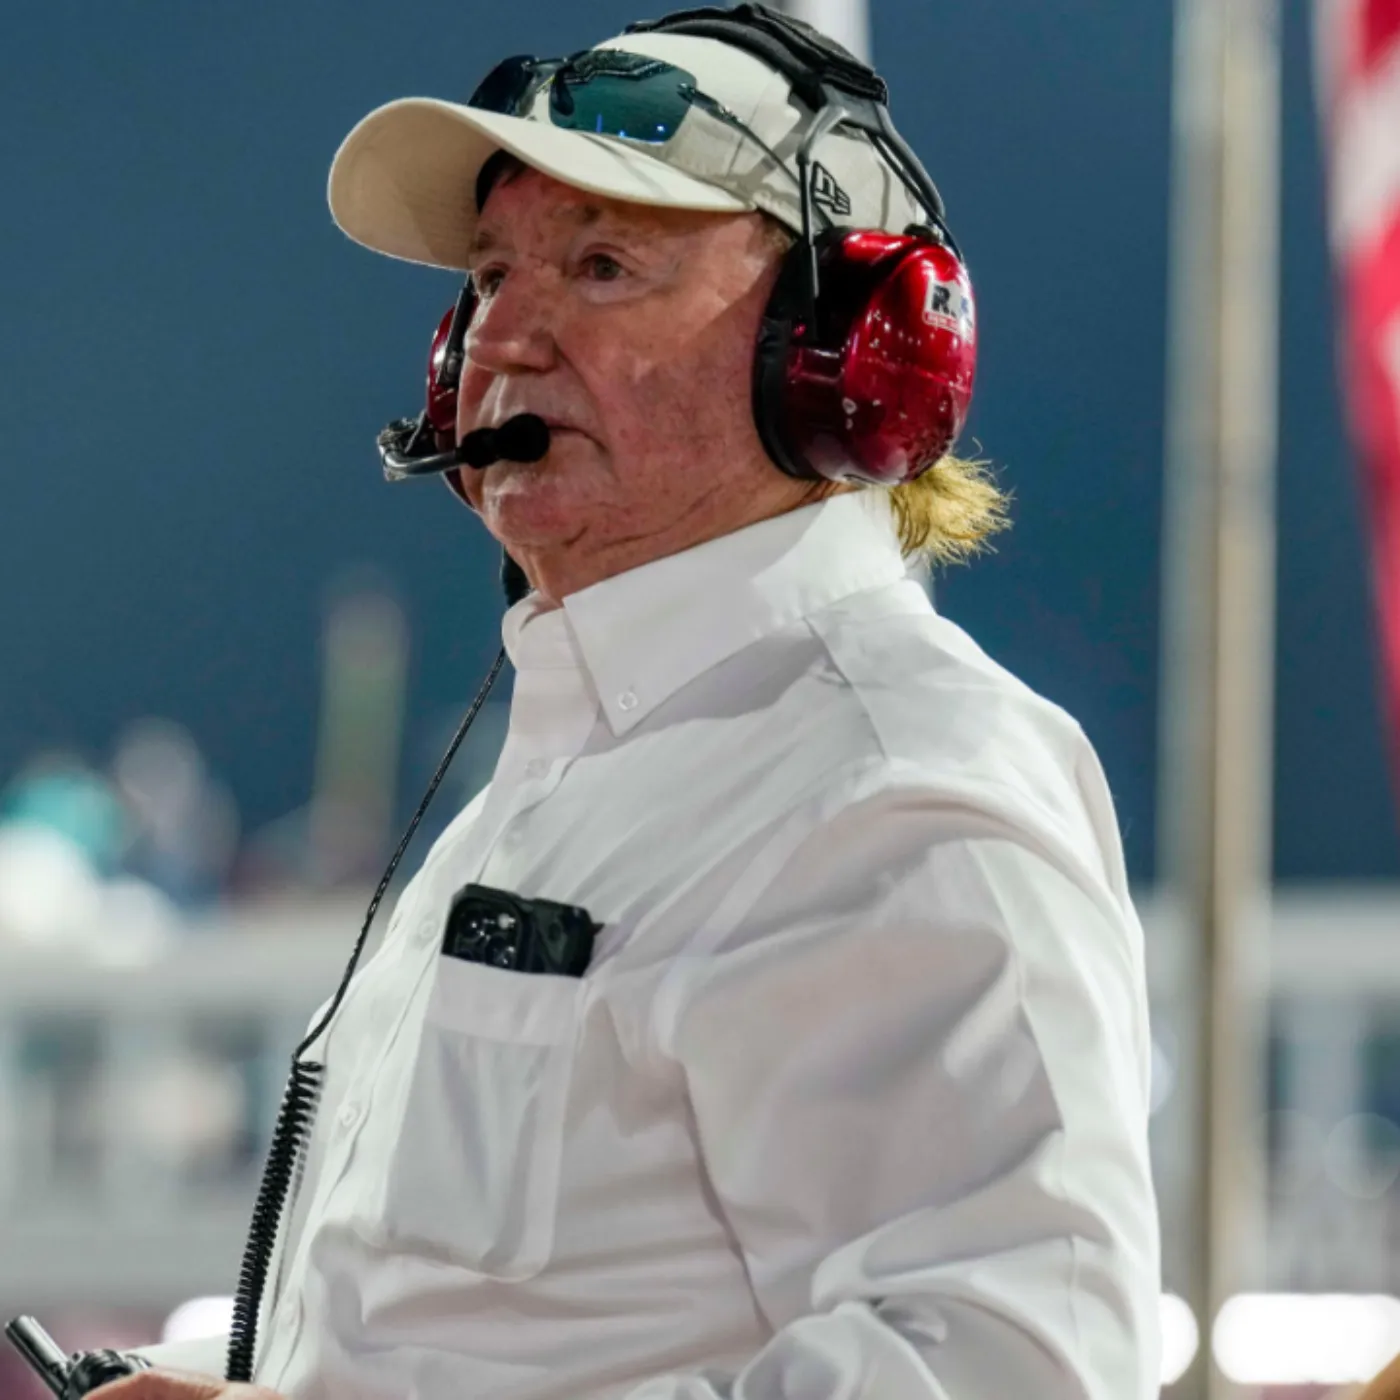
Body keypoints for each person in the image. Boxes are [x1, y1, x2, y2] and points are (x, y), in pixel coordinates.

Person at [107, 6, 1161, 1399]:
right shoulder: (585, 758)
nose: (506, 335)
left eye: (603, 266)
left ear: (842, 352)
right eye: (491, 275)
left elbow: (1018, 1372)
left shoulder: (897, 787)